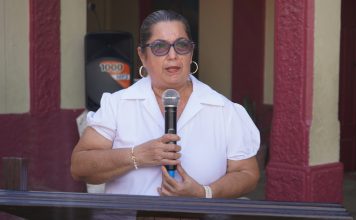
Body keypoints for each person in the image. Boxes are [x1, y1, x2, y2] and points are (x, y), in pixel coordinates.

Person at [71, 9, 260, 198]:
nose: (172, 55)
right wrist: (137, 155)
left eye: (182, 45)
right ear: (142, 55)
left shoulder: (222, 109)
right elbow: (80, 166)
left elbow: (247, 174)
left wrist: (204, 193)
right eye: (160, 47)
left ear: (191, 52)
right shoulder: (118, 104)